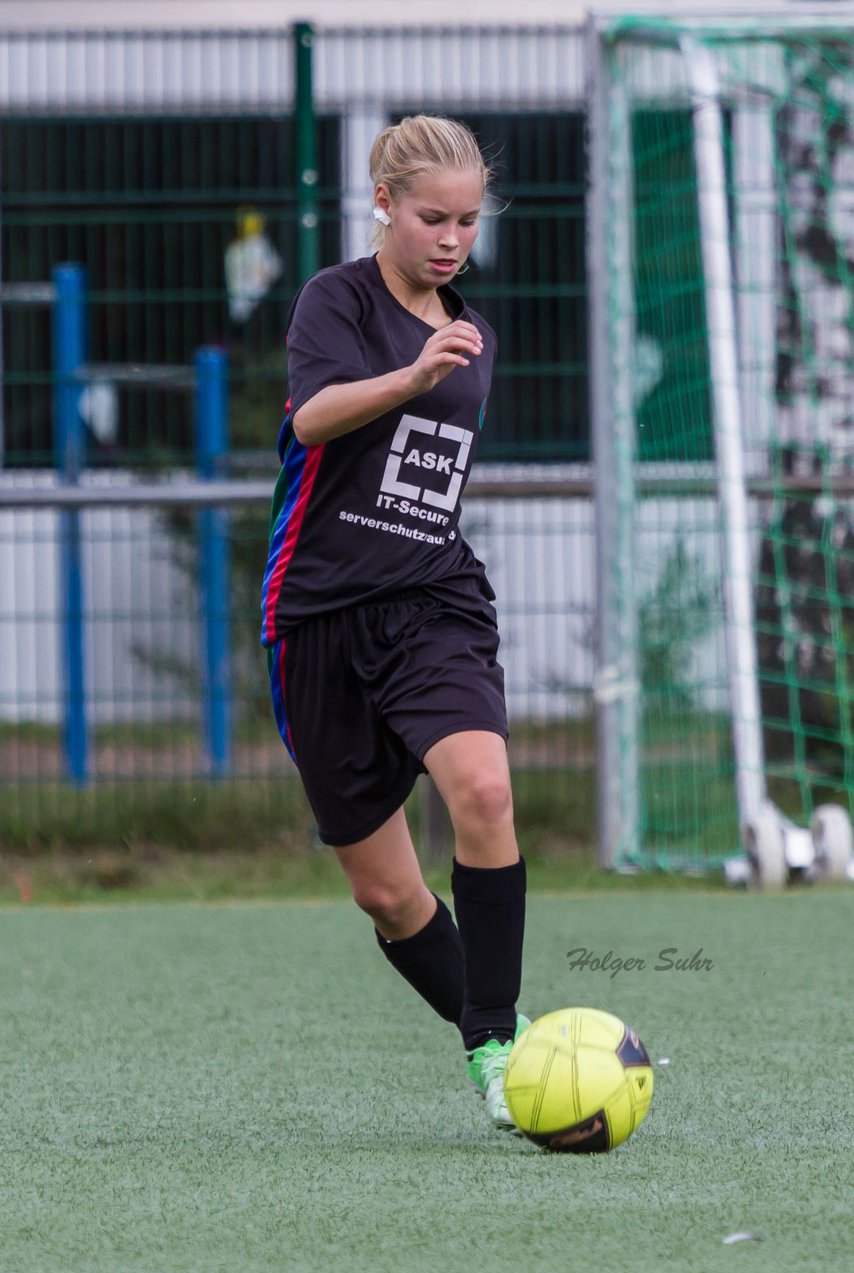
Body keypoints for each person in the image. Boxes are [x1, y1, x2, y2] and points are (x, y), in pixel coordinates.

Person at [261, 115, 527, 1128]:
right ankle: (495, 1024)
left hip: (430, 603)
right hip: (318, 616)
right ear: (383, 205)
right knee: (387, 895)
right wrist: (411, 374)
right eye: (432, 218)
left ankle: (500, 1043)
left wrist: (435, 369)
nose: (451, 238)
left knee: (483, 785)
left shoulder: (475, 329)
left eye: (467, 220)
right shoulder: (334, 300)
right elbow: (313, 417)